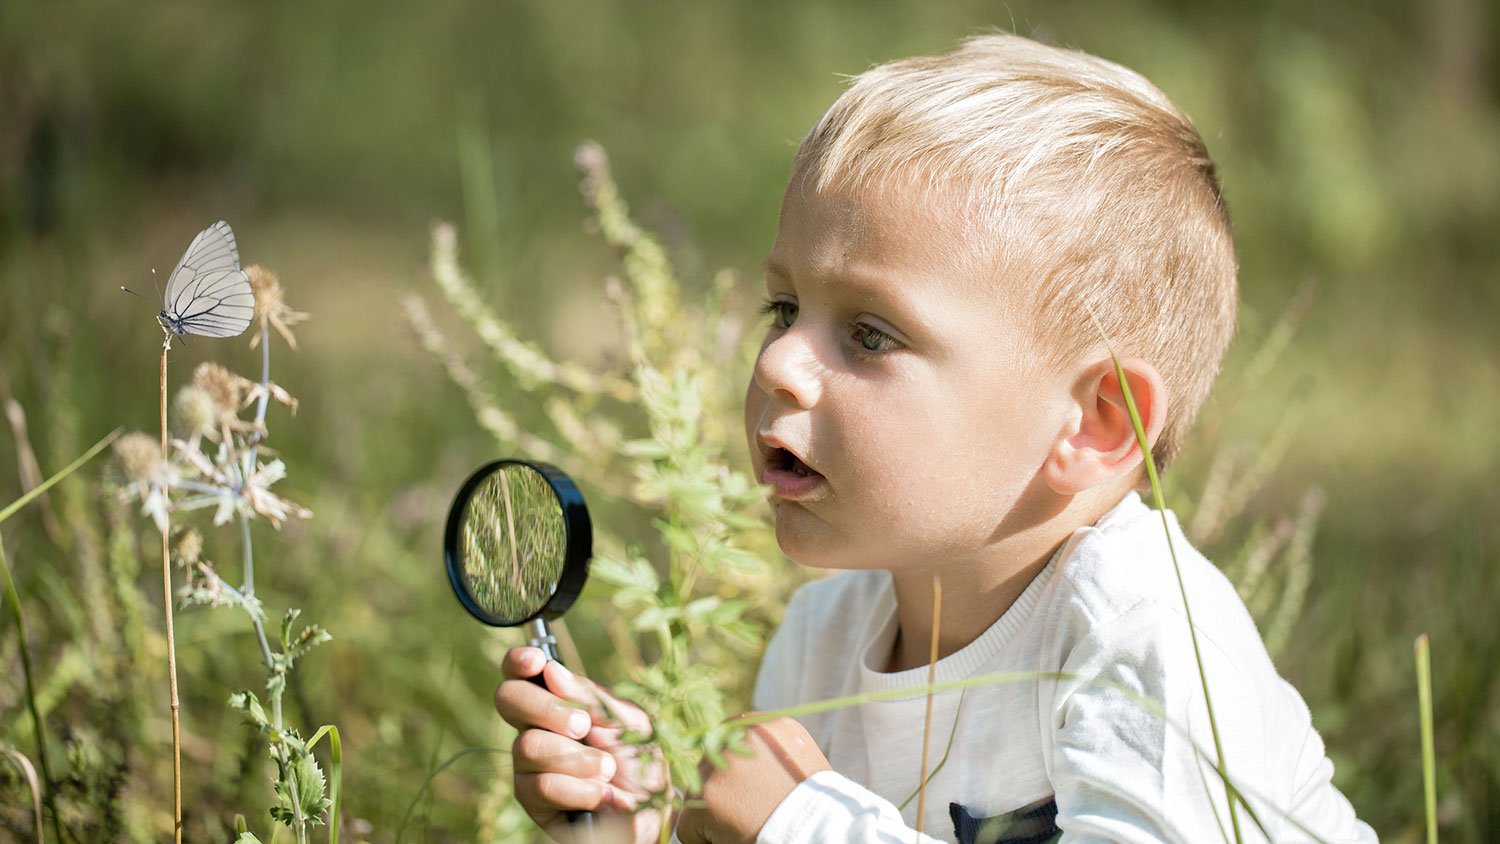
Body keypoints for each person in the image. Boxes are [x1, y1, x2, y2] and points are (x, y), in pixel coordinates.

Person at [494, 33, 1377, 844]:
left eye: (871, 334)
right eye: (785, 309)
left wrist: (804, 824)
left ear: (1098, 424)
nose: (779, 365)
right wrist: (642, 815)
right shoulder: (826, 634)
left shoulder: (1145, 635)